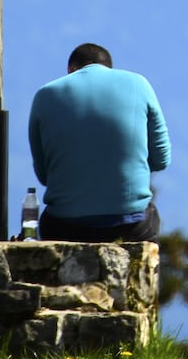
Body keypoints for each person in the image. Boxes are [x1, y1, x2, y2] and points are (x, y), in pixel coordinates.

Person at [26, 42, 170, 243]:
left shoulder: (45, 95)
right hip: (129, 223)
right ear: (108, 68)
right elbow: (162, 160)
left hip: (65, 224)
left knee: (47, 222)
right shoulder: (139, 84)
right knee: (151, 216)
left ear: (71, 70)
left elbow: (44, 175)